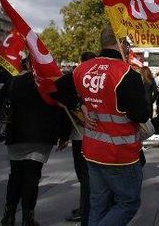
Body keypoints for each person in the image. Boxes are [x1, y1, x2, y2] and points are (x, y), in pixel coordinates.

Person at [53, 27, 150, 226]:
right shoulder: (126, 74)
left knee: (98, 204)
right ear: (121, 45)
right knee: (128, 203)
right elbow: (141, 114)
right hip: (121, 154)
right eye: (127, 45)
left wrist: (79, 106)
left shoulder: (82, 68)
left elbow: (57, 89)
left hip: (92, 149)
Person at [0, 57, 71, 226]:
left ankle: (8, 217)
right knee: (32, 177)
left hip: (16, 135)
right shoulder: (49, 85)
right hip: (41, 138)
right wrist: (64, 135)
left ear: (27, 65)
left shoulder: (13, 83)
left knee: (15, 176)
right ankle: (28, 218)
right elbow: (62, 109)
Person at [65, 51, 96, 225]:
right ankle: (86, 207)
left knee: (85, 177)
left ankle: (85, 210)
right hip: (93, 134)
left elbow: (60, 91)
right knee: (87, 176)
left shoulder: (77, 78)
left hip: (82, 135)